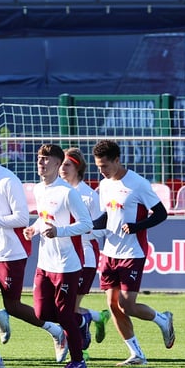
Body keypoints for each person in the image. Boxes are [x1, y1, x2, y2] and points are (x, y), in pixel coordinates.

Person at [0, 138, 67, 368]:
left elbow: (22, 219)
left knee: (12, 306)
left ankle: (55, 330)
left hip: (11, 252)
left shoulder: (9, 180)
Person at [90, 139, 175, 365]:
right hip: (109, 252)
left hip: (132, 252)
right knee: (112, 305)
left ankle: (162, 319)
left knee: (127, 305)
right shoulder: (105, 184)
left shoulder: (138, 184)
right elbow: (106, 216)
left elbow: (160, 213)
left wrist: (136, 227)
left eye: (105, 165)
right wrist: (88, 226)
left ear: (117, 160)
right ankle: (136, 353)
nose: (101, 170)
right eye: (98, 166)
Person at [23, 144, 93, 368]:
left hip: (66, 263)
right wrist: (33, 229)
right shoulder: (39, 189)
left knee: (64, 314)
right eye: (39, 159)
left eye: (46, 159)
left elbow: (86, 224)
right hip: (45, 261)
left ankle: (78, 360)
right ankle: (80, 322)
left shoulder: (67, 192)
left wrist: (59, 232)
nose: (41, 163)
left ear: (56, 163)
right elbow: (45, 218)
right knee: (42, 312)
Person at [59, 147, 111, 350]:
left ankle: (79, 348)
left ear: (77, 167)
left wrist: (77, 230)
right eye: (61, 164)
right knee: (64, 308)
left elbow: (101, 231)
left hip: (84, 257)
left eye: (67, 164)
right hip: (62, 257)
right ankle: (94, 317)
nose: (62, 168)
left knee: (68, 309)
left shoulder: (89, 196)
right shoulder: (57, 192)